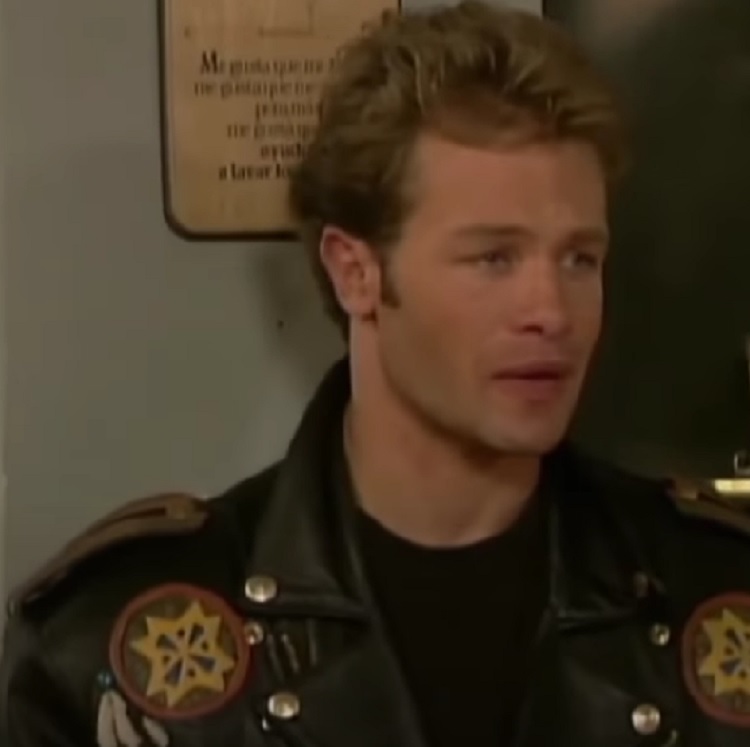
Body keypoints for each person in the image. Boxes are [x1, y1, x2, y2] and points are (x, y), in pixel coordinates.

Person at [2, 3, 749, 746]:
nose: (551, 312)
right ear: (355, 272)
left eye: (580, 258)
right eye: (494, 258)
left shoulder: (718, 600)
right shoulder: (102, 646)